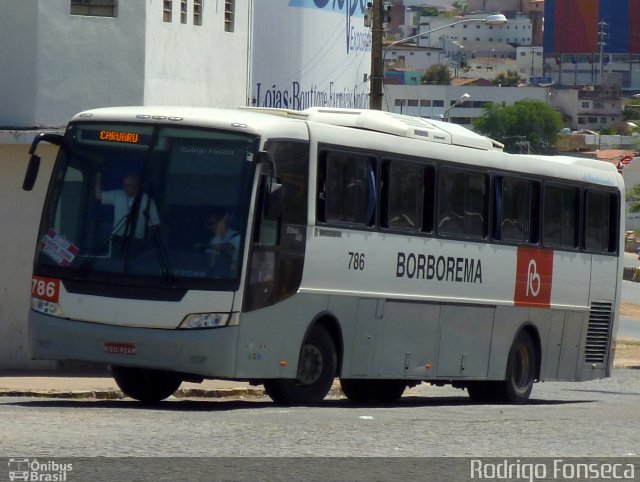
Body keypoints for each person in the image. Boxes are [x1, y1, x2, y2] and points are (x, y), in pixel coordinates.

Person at [95, 172, 159, 241]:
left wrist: (147, 243)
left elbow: (154, 224)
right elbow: (98, 196)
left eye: (128, 186)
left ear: (136, 186)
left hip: (136, 241)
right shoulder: (117, 195)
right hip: (117, 238)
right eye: (124, 185)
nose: (125, 188)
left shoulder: (147, 201)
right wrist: (98, 177)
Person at [196, 212, 240, 277]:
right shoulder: (213, 240)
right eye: (208, 225)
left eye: (212, 224)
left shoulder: (237, 236)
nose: (210, 227)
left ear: (222, 222)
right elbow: (211, 264)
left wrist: (203, 246)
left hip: (232, 277)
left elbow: (227, 247)